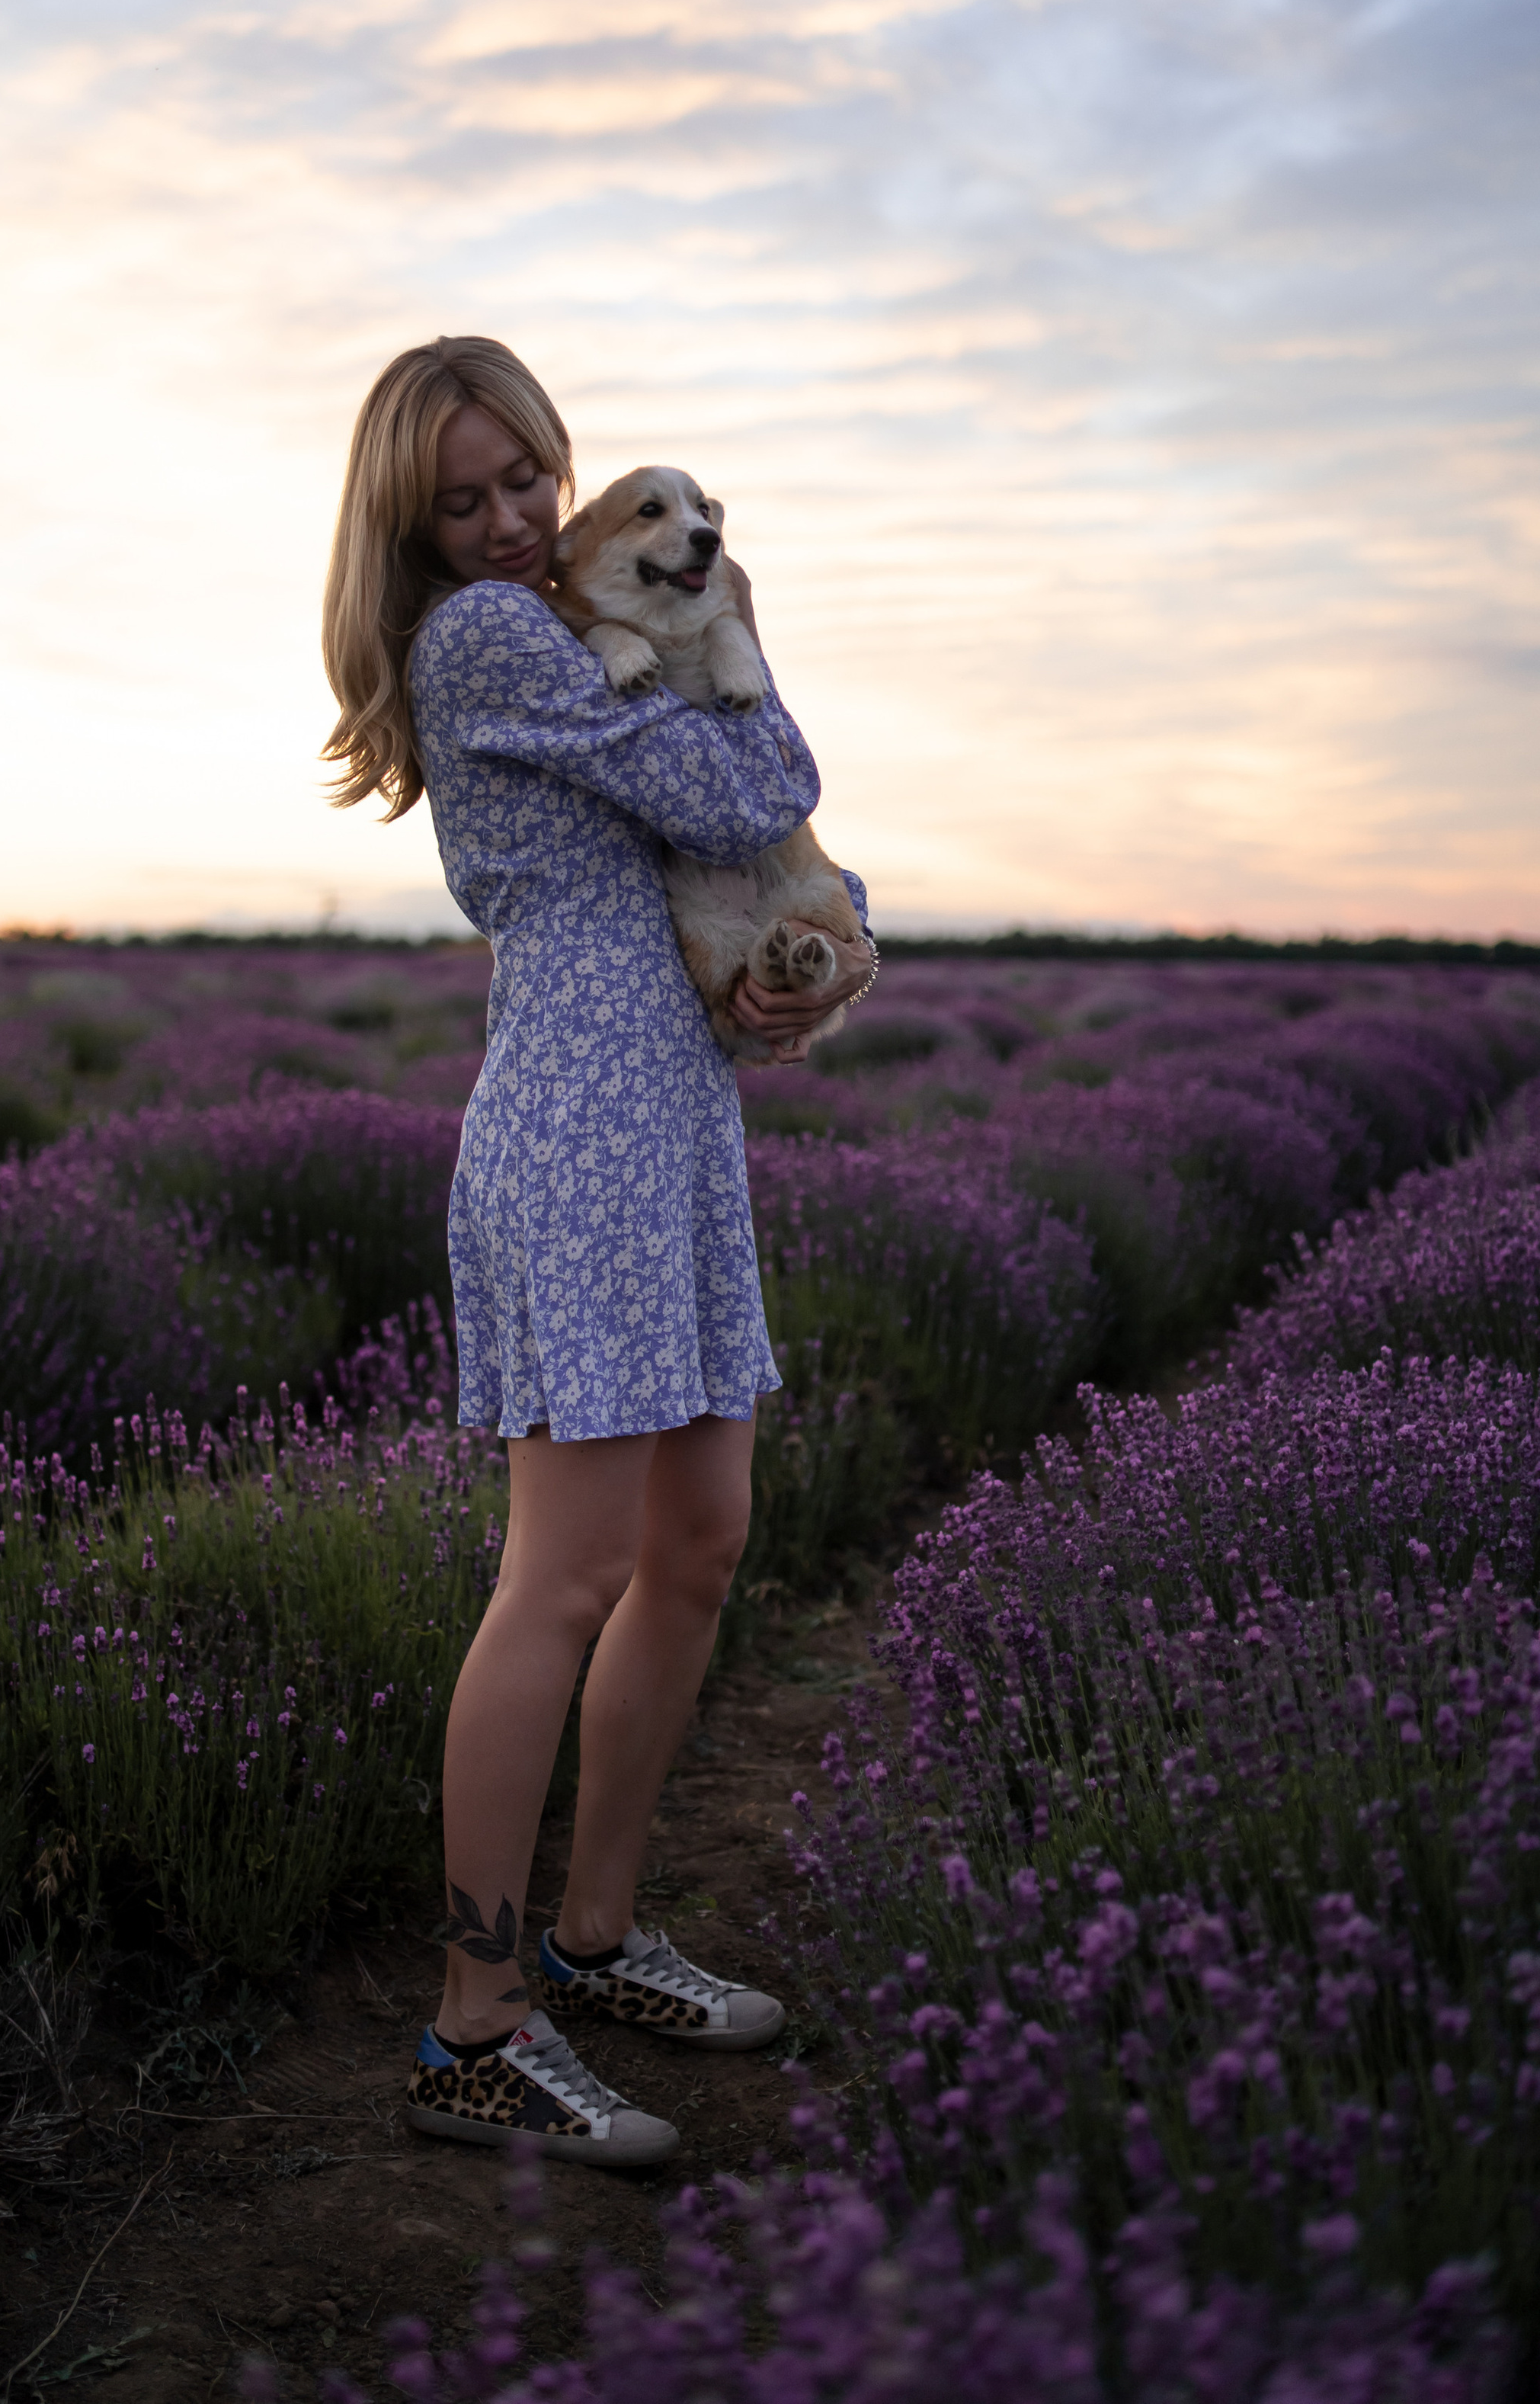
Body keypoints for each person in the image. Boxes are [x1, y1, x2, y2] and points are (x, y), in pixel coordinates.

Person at [322, 335, 876, 2167]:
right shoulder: (494, 637)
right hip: (575, 1137)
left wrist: (783, 985)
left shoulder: (576, 634)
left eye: (524, 482)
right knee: (561, 1579)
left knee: (695, 1546)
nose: (502, 523)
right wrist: (741, 642)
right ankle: (475, 2030)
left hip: (671, 1122)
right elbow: (748, 793)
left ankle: (597, 1938)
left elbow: (731, 844)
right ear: (409, 526)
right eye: (459, 501)